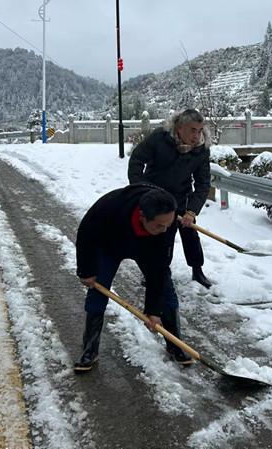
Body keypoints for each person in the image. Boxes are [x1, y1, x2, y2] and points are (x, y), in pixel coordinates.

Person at [74, 183, 195, 372]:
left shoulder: (166, 222)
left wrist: (153, 310)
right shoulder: (111, 206)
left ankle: (175, 344)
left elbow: (159, 270)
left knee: (167, 292)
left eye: (168, 225)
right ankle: (89, 349)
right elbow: (85, 235)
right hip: (110, 246)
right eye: (159, 225)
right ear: (142, 216)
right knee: (98, 290)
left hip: (148, 248)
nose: (165, 230)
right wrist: (85, 271)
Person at [128, 109, 213, 288]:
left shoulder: (201, 150)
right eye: (192, 130)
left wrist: (191, 211)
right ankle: (155, 270)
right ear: (179, 127)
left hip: (181, 198)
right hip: (154, 196)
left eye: (199, 130)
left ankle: (197, 269)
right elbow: (136, 160)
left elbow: (203, 183)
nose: (196, 135)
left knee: (190, 234)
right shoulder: (160, 138)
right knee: (160, 237)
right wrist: (140, 189)